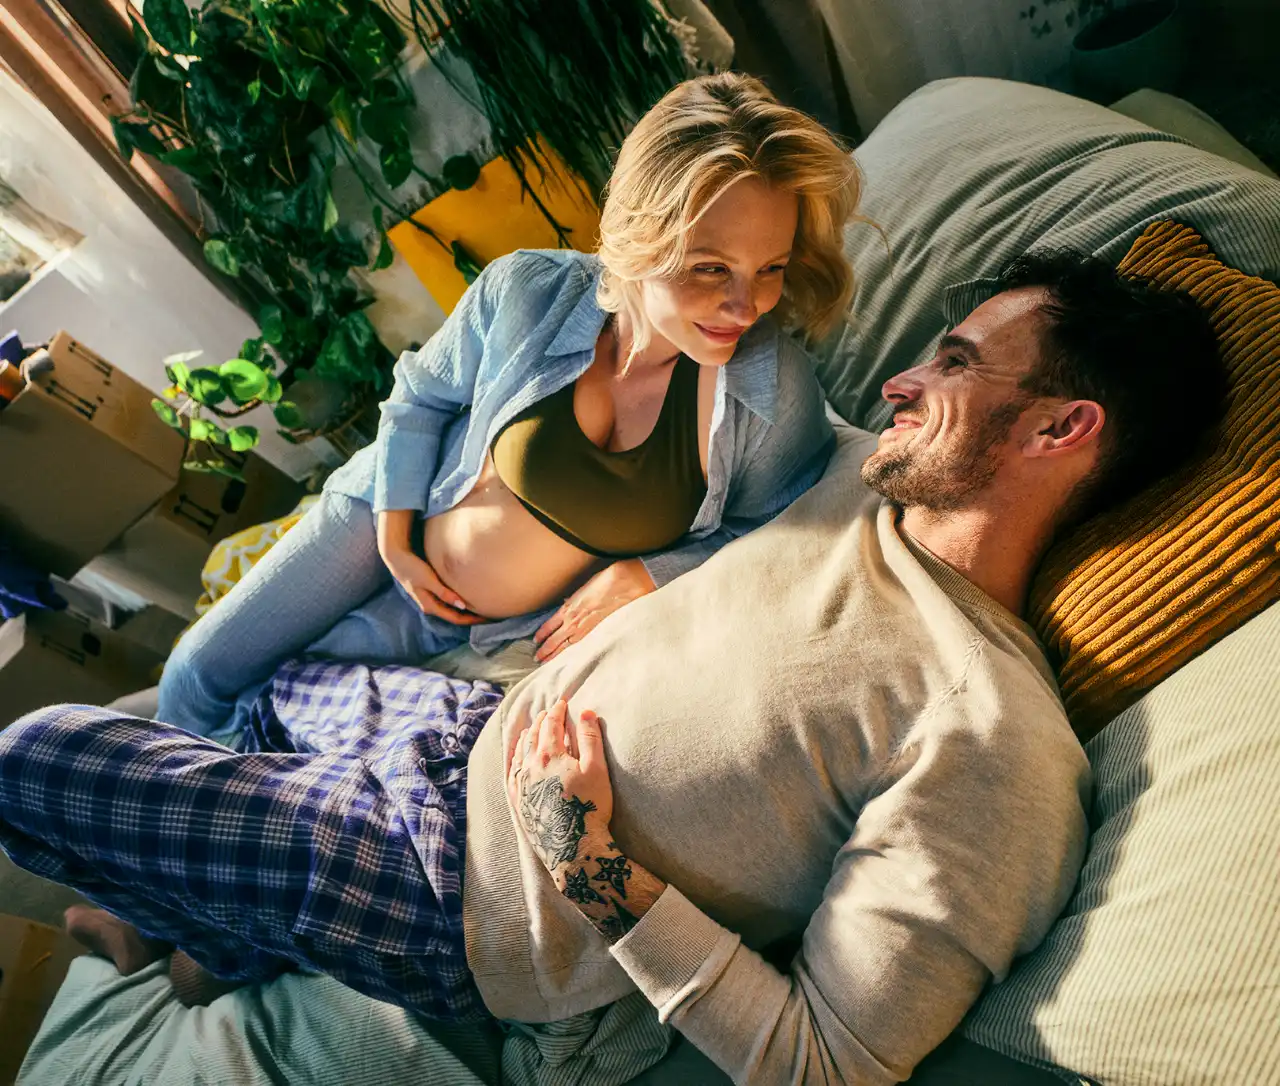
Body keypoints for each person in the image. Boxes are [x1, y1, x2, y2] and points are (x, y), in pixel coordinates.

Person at [0, 251, 1226, 1083]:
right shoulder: (856, 476)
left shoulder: (989, 743)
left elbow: (831, 1062)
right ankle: (226, 938)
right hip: (462, 733)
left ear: (1060, 430)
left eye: (955, 364)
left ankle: (218, 934)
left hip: (465, 889)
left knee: (40, 757)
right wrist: (651, 569)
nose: (902, 380)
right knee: (256, 685)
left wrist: (596, 872)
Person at [155, 72, 857, 741]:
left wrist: (648, 573)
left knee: (268, 716)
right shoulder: (530, 291)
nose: (747, 303)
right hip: (381, 532)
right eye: (712, 267)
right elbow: (423, 396)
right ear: (643, 233)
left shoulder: (770, 393)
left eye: (770, 268)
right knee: (195, 680)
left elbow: (780, 538)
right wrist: (396, 540)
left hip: (482, 629)